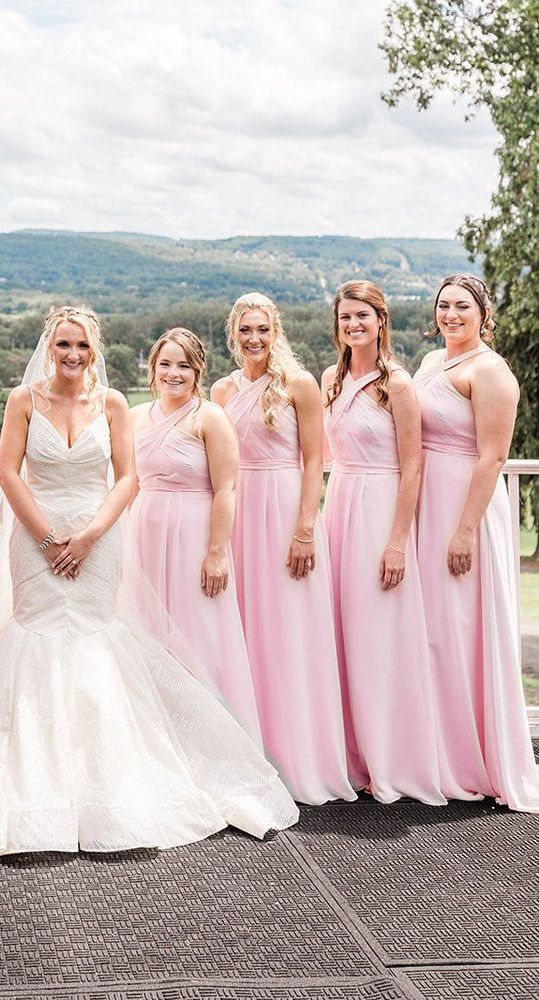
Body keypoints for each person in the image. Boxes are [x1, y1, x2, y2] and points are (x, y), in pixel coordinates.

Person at [0, 305, 298, 858]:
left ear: (92, 350)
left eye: (81, 347)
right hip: (36, 536)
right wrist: (50, 538)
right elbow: (8, 472)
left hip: (99, 537)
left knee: (97, 639)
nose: (72, 355)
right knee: (36, 637)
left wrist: (92, 535)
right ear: (49, 348)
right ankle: (30, 785)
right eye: (62, 346)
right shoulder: (23, 401)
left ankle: (107, 784)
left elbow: (127, 477)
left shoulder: (115, 404)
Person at [213, 294, 354, 805]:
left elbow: (315, 460)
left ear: (277, 331)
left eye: (263, 330)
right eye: (245, 330)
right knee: (243, 632)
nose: (254, 339)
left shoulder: (298, 385)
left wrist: (304, 530)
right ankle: (249, 752)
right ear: (234, 334)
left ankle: (300, 757)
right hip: (237, 513)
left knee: (289, 630)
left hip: (284, 511)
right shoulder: (222, 389)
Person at [414, 274, 539, 810]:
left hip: (464, 507)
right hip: (424, 506)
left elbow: (491, 457)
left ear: (484, 313)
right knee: (430, 632)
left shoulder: (491, 372)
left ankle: (471, 760)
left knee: (461, 631)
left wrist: (465, 529)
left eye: (462, 306)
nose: (451, 315)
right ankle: (432, 751)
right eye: (444, 306)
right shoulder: (428, 364)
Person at [321, 280, 444, 804]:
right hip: (340, 504)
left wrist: (397, 542)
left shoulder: (397, 384)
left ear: (380, 321)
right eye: (346, 317)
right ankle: (346, 755)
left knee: (378, 634)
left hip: (380, 508)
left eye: (362, 317)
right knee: (340, 632)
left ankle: (389, 757)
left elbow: (414, 463)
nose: (353, 325)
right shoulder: (330, 378)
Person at [128, 327, 263, 745]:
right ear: (153, 368)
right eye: (165, 364)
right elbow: (128, 484)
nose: (173, 373)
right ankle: (156, 743)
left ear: (197, 370)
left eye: (183, 365)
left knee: (198, 635)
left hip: (194, 537)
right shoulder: (136, 417)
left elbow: (227, 488)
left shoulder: (210, 418)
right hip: (144, 536)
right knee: (147, 637)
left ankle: (211, 743)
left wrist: (217, 552)